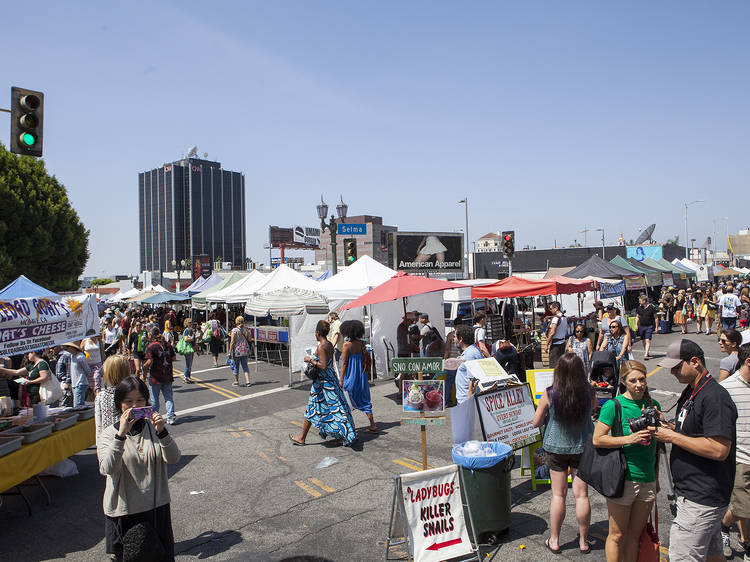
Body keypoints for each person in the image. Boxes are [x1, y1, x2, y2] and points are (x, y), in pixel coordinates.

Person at [654, 339, 737, 562]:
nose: (672, 372)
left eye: (677, 366)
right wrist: (668, 427)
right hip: (697, 494)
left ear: (695, 362)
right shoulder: (692, 391)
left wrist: (672, 436)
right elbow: (693, 432)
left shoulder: (714, 397)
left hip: (701, 497)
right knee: (712, 555)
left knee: (683, 556)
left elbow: (719, 449)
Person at [98, 376, 180, 561]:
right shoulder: (109, 435)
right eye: (128, 401)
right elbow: (107, 468)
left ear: (147, 402)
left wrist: (163, 432)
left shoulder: (154, 429)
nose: (135, 406)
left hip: (156, 508)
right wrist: (121, 435)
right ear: (119, 404)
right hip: (124, 511)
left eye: (140, 400)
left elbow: (174, 458)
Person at [593, 360, 661, 562]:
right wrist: (629, 439)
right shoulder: (614, 406)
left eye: (642, 379)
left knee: (635, 535)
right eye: (633, 381)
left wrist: (656, 478)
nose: (639, 384)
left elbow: (657, 448)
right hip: (624, 478)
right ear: (624, 382)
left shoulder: (652, 405)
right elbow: (598, 439)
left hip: (647, 478)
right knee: (617, 535)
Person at [532, 353, 594, 554]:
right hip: (582, 446)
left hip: (556, 448)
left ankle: (555, 539)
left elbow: (536, 422)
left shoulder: (550, 393)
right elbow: (591, 410)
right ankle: (584, 541)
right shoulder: (589, 392)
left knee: (558, 494)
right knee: (581, 495)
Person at [289, 320, 356, 447]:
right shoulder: (329, 344)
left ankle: (303, 438)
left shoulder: (321, 346)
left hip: (324, 384)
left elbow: (323, 365)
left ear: (318, 333)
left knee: (332, 410)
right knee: (327, 409)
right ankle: (303, 437)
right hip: (329, 381)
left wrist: (310, 360)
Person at [720, 343, 750, 559]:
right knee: (744, 507)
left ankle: (731, 529)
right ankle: (727, 528)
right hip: (740, 458)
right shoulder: (727, 388)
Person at [340, 320, 377, 434]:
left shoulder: (346, 345)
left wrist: (341, 379)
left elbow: (344, 364)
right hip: (361, 376)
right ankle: (372, 425)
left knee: (346, 400)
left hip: (350, 376)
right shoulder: (361, 344)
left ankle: (348, 427)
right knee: (364, 399)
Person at [144, 327, 176, 425]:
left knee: (154, 399)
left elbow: (150, 361)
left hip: (156, 377)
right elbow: (174, 358)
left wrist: (144, 367)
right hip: (167, 375)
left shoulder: (151, 347)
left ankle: (155, 418)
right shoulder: (167, 345)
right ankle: (171, 416)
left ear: (151, 335)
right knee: (168, 397)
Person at [95, 354, 131, 441]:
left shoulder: (102, 396)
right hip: (131, 438)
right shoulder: (133, 393)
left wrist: (99, 444)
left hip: (108, 440)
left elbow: (99, 424)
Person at [454, 324, 484, 405]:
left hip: (465, 400)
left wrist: (469, 400)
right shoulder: (472, 351)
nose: (454, 339)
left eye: (455, 337)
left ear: (461, 339)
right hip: (465, 398)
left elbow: (473, 379)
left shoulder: (470, 354)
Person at [63, 342, 91, 408]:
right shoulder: (72, 356)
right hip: (75, 384)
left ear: (72, 348)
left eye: (67, 347)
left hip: (80, 383)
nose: (66, 349)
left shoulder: (80, 357)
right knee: (77, 405)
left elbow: (88, 370)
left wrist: (83, 377)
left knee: (78, 406)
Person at [443, 318, 463, 407]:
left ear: (454, 326)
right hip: (461, 361)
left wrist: (445, 360)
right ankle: (459, 401)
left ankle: (447, 401)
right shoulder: (463, 335)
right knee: (460, 382)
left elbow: (447, 349)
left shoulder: (450, 335)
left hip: (451, 362)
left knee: (449, 383)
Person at [228, 316, 251, 387]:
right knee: (245, 366)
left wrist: (229, 351)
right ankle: (247, 381)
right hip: (245, 349)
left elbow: (232, 341)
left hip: (237, 350)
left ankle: (236, 381)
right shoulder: (246, 329)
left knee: (236, 366)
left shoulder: (234, 330)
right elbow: (249, 339)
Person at [635, 294, 657, 360]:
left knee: (648, 340)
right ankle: (646, 351)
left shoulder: (651, 308)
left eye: (640, 301)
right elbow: (637, 317)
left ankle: (646, 354)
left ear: (644, 301)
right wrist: (636, 324)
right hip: (642, 326)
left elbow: (656, 317)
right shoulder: (639, 308)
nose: (639, 302)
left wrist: (656, 327)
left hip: (649, 326)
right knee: (643, 340)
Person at [181, 318, 195, 384]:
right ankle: (186, 377)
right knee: (188, 363)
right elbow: (186, 339)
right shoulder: (187, 330)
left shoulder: (191, 330)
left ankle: (188, 377)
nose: (191, 323)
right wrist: (192, 339)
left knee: (190, 364)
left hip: (191, 348)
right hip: (187, 348)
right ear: (186, 323)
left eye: (191, 322)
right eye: (190, 322)